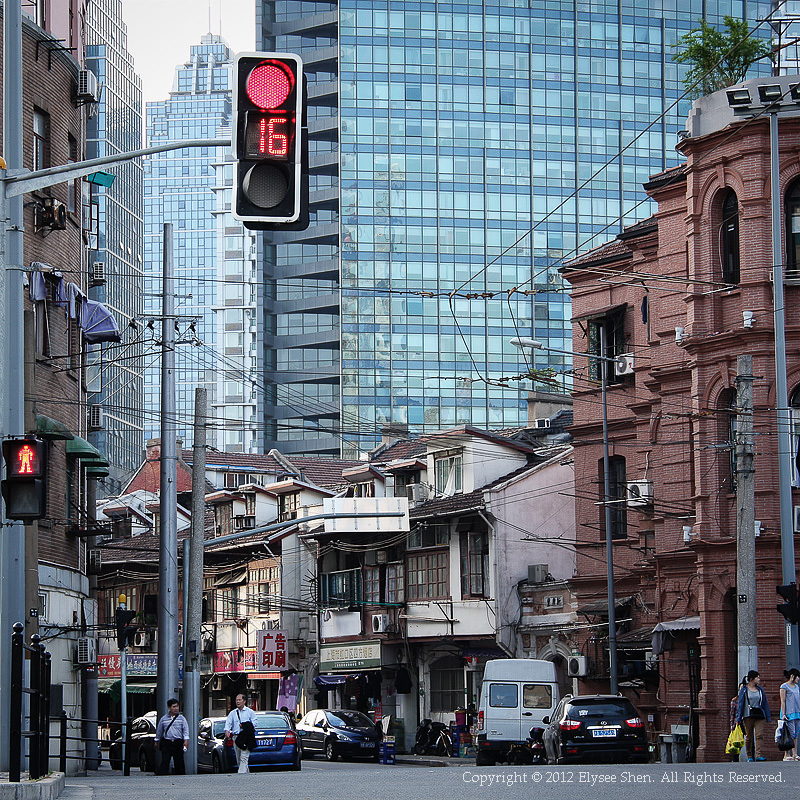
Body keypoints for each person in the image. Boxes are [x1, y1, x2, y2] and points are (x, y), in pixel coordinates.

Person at [736, 669, 771, 761]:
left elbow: (765, 703)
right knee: (749, 736)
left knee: (759, 735)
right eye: (757, 677)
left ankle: (759, 755)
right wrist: (738, 717)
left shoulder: (760, 689)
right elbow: (740, 704)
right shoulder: (744, 689)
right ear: (751, 679)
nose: (759, 679)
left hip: (759, 714)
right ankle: (749, 755)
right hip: (748, 715)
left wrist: (768, 716)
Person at [154, 698, 189, 775]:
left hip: (178, 742)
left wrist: (186, 740)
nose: (176, 708)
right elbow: (159, 730)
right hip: (167, 742)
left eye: (177, 706)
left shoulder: (182, 719)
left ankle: (180, 775)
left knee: (179, 760)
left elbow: (185, 730)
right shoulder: (163, 719)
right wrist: (156, 741)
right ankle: (162, 775)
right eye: (174, 707)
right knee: (165, 760)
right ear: (169, 707)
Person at [224, 693, 258, 773]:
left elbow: (255, 723)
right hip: (236, 738)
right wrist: (227, 730)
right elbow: (228, 723)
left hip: (246, 737)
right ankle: (246, 775)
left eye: (239, 700)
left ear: (244, 701)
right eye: (236, 700)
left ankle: (241, 774)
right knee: (239, 758)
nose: (237, 702)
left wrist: (245, 726)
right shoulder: (233, 713)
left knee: (244, 757)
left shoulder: (250, 712)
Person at [780, 668, 800, 761]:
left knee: (795, 734)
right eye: (797, 676)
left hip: (797, 713)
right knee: (789, 734)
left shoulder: (797, 687)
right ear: (792, 676)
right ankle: (786, 754)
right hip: (789, 713)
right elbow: (783, 701)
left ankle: (795, 753)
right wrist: (784, 714)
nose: (798, 679)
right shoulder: (784, 686)